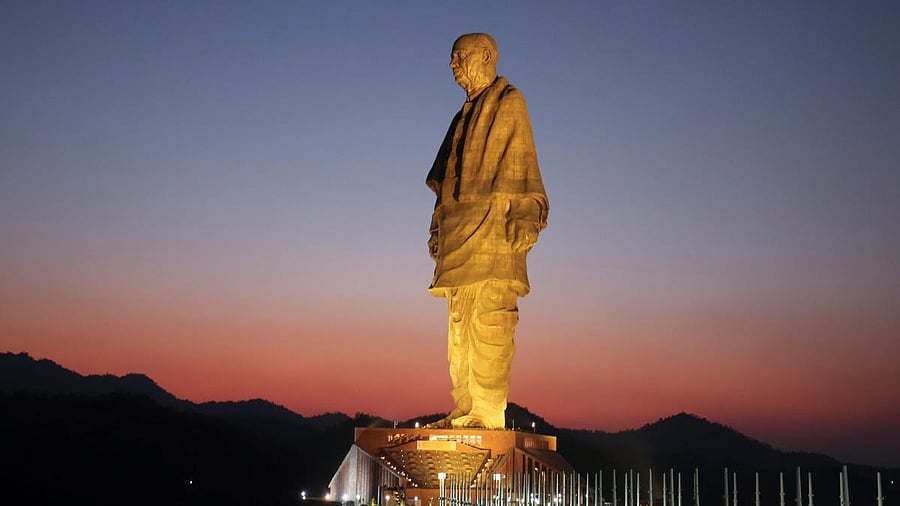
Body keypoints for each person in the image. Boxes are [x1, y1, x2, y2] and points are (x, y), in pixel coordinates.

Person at [425, 33, 548, 429]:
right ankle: (464, 406)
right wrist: (437, 226)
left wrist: (525, 214)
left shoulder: (509, 101)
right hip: (458, 230)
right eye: (452, 58)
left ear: (486, 56)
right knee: (459, 325)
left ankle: (487, 410)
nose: (453, 64)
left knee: (491, 320)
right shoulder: (460, 117)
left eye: (460, 56)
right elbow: (446, 180)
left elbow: (522, 165)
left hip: (494, 227)